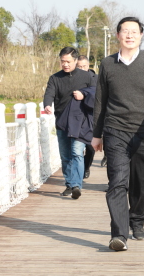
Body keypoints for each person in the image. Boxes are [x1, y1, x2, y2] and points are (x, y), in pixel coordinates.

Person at [91, 17, 144, 251]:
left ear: (141, 35)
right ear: (117, 35)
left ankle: (137, 221)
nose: (129, 35)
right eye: (125, 31)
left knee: (140, 181)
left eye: (134, 31)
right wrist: (97, 134)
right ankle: (119, 234)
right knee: (117, 181)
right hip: (115, 130)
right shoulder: (107, 64)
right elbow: (100, 101)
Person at [43, 47, 96, 199]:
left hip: (81, 121)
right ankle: (69, 184)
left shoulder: (87, 76)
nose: (65, 64)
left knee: (77, 152)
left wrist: (84, 94)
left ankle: (76, 185)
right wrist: (47, 104)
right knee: (65, 156)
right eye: (62, 61)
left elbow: (97, 92)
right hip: (62, 121)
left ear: (75, 61)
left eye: (68, 61)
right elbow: (49, 93)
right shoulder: (55, 78)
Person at [76, 55, 97, 179]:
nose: (82, 69)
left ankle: (86, 166)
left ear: (88, 65)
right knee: (76, 149)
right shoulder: (72, 78)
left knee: (91, 147)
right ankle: (76, 174)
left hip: (92, 117)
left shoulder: (96, 79)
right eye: (79, 67)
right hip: (77, 117)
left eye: (84, 66)